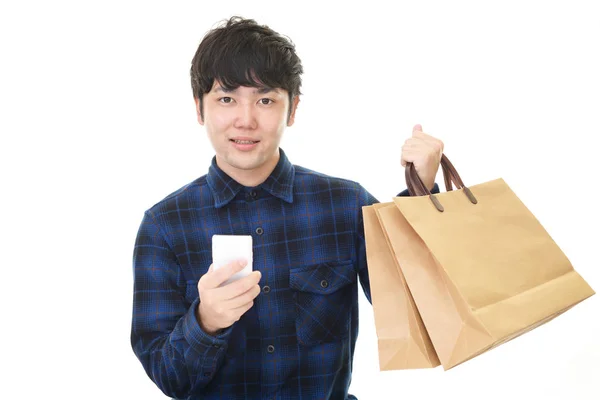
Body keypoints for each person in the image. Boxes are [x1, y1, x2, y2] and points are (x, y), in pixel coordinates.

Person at [131, 16, 443, 400]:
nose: (246, 120)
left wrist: (423, 192)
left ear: (292, 109)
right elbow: (169, 378)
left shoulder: (346, 205)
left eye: (265, 100)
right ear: (200, 109)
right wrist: (205, 322)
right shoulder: (164, 226)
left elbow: (422, 310)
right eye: (226, 98)